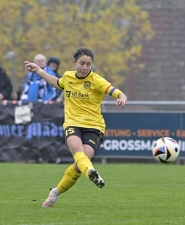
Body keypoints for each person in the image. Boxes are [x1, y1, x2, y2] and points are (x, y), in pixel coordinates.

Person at [24, 47, 127, 208]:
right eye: (82, 63)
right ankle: (92, 173)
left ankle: (55, 193)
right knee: (77, 152)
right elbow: (57, 83)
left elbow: (118, 93)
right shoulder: (67, 77)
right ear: (75, 63)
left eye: (88, 64)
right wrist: (39, 70)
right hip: (73, 124)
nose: (85, 67)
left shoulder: (97, 80)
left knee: (80, 166)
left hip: (94, 127)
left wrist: (121, 98)